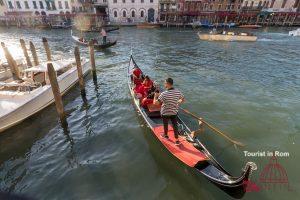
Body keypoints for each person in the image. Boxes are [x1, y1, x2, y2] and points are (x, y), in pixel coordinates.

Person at [153, 78, 185, 145]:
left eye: (165, 83)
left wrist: (155, 96)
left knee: (165, 124)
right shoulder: (178, 92)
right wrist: (178, 102)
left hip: (165, 112)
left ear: (167, 84)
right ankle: (177, 140)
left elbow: (156, 103)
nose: (164, 84)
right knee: (175, 125)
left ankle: (166, 135)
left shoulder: (164, 94)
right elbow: (183, 99)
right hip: (174, 112)